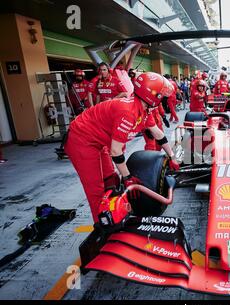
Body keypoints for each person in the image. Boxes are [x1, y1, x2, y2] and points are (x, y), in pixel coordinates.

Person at [64, 72, 180, 223]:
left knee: (111, 180)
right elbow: (116, 151)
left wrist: (172, 157)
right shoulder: (128, 112)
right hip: (81, 140)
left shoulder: (145, 110)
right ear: (152, 95)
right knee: (97, 189)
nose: (163, 99)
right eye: (162, 95)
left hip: (100, 141)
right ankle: (103, 226)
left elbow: (158, 134)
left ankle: (116, 211)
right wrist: (128, 177)